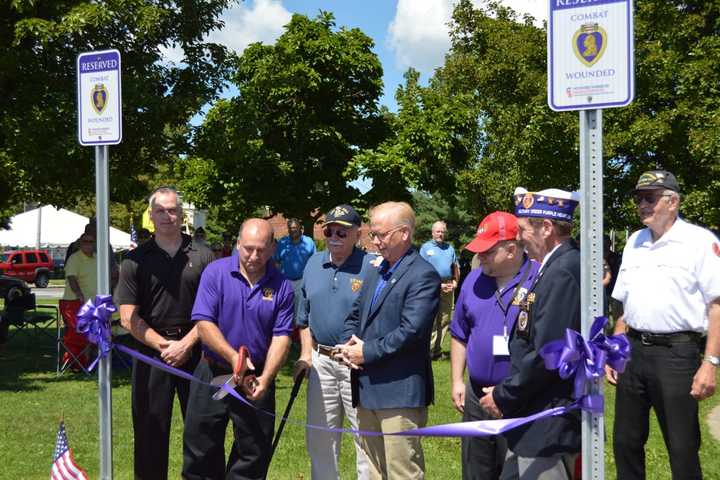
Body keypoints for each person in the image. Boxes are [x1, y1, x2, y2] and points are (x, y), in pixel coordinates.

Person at [606, 170, 720, 480]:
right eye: (639, 198)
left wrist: (710, 363)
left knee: (682, 446)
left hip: (677, 354)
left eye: (650, 198)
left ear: (672, 201)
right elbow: (624, 305)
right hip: (634, 352)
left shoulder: (699, 241)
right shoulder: (634, 241)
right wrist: (617, 347)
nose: (642, 204)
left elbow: (717, 305)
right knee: (626, 442)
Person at [480, 187, 582, 480]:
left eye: (523, 229)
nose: (519, 236)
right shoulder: (550, 266)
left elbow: (548, 351)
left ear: (547, 228)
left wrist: (504, 394)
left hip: (548, 418)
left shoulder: (562, 270)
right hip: (533, 413)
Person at [182, 219, 294, 479]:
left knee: (253, 451)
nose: (255, 256)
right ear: (238, 244)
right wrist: (234, 357)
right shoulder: (215, 273)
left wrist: (266, 378)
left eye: (262, 249)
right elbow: (203, 322)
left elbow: (282, 336)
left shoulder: (282, 286)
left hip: (255, 379)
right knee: (201, 447)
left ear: (273, 248)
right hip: (213, 373)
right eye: (248, 249)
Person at [115, 186, 214, 480]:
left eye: (173, 210)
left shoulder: (205, 256)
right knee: (149, 432)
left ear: (181, 214)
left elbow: (214, 312)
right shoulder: (135, 260)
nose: (167, 216)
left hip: (197, 351)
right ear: (151, 215)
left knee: (202, 432)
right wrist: (164, 346)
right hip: (151, 353)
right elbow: (127, 317)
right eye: (161, 210)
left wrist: (185, 344)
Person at [339, 201, 440, 479]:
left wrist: (367, 352)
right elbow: (356, 314)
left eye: (380, 235)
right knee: (373, 471)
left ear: (404, 233)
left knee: (401, 472)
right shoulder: (375, 270)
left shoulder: (423, 275)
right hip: (367, 389)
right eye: (373, 234)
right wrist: (350, 343)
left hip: (399, 392)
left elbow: (412, 332)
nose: (375, 241)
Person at [450, 212, 540, 480]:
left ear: (511, 249)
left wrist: (509, 393)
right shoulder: (473, 279)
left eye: (488, 251)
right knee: (476, 470)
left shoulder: (540, 279)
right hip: (476, 397)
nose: (481, 257)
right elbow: (459, 333)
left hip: (519, 398)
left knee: (514, 472)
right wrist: (457, 380)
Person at [294, 204, 371, 479]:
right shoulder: (313, 263)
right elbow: (302, 317)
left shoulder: (371, 266)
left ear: (357, 234)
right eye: (329, 230)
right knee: (321, 437)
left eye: (343, 231)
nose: (334, 236)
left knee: (365, 438)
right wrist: (305, 354)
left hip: (357, 364)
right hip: (320, 362)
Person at [420, 220, 459, 359]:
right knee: (431, 319)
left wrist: (455, 282)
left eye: (443, 231)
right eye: (438, 231)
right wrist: (437, 285)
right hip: (431, 287)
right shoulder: (425, 248)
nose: (441, 234)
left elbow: (456, 268)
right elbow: (421, 271)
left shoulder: (450, 248)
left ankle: (437, 351)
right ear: (432, 232)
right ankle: (428, 351)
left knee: (444, 319)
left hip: (448, 287)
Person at [59, 233, 97, 371]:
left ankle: (86, 362)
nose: (88, 244)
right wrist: (79, 293)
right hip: (75, 302)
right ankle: (73, 363)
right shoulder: (74, 259)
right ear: (80, 243)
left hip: (94, 303)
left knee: (94, 333)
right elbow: (71, 278)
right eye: (85, 241)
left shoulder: (97, 258)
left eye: (91, 241)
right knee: (79, 334)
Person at [274, 218, 316, 322]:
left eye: (294, 228)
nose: (292, 230)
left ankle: (299, 333)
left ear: (300, 229)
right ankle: (287, 332)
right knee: (285, 308)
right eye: (290, 228)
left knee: (301, 311)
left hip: (303, 281)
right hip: (285, 281)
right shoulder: (282, 242)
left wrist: (311, 280)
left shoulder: (309, 242)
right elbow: (276, 262)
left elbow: (314, 262)